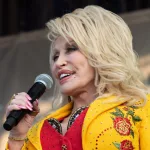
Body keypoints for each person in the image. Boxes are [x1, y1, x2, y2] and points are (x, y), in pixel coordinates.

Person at [5, 5, 150, 150]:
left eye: (71, 49)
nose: (58, 63)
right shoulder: (40, 131)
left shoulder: (139, 108)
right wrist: (17, 136)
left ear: (102, 51)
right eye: (55, 57)